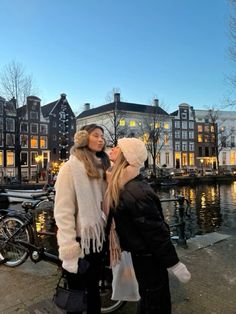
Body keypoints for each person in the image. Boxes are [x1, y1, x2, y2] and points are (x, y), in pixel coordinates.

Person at [105, 138, 191, 314]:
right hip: (143, 256)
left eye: (118, 147)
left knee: (153, 302)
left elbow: (155, 231)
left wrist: (174, 264)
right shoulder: (122, 184)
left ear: (126, 156)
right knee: (152, 300)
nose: (112, 148)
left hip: (148, 258)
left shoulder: (133, 190)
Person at [54, 124, 110, 314]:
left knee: (93, 291)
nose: (101, 139)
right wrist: (70, 251)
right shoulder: (69, 169)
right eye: (96, 135)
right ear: (84, 138)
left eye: (102, 136)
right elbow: (63, 212)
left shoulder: (102, 168)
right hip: (79, 241)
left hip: (96, 240)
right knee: (77, 296)